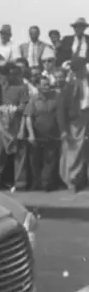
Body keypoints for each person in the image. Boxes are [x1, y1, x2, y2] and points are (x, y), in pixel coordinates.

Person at [0, 63, 31, 191]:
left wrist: (14, 109)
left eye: (6, 73)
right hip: (2, 124)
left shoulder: (22, 87)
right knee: (0, 153)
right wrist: (0, 109)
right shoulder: (0, 87)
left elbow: (24, 106)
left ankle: (21, 183)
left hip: (16, 123)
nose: (4, 76)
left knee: (19, 154)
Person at [57, 57, 89, 193]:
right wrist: (64, 129)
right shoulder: (68, 87)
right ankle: (71, 181)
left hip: (86, 119)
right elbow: (61, 110)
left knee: (85, 153)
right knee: (72, 153)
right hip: (75, 122)